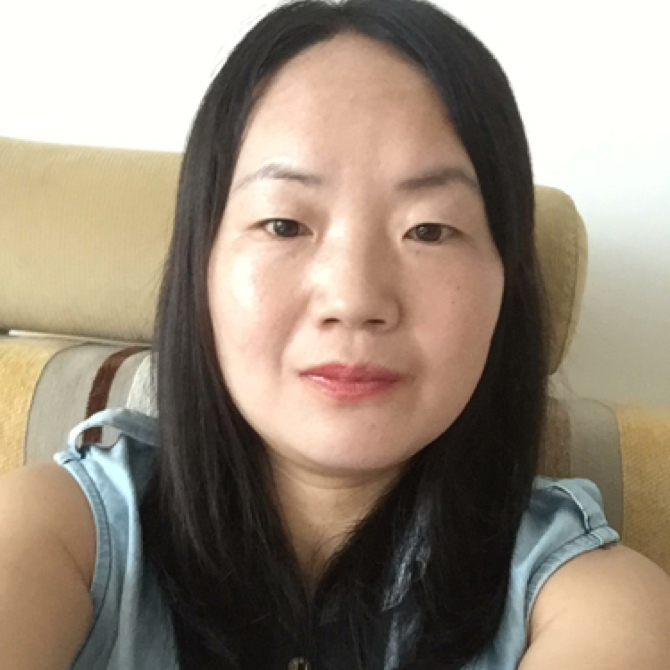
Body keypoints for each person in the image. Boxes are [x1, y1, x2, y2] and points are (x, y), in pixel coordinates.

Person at [1, 0, 669, 668]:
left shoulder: (599, 606)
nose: (354, 301)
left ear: (507, 284)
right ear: (200, 263)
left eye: (429, 230)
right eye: (285, 225)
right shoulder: (54, 533)